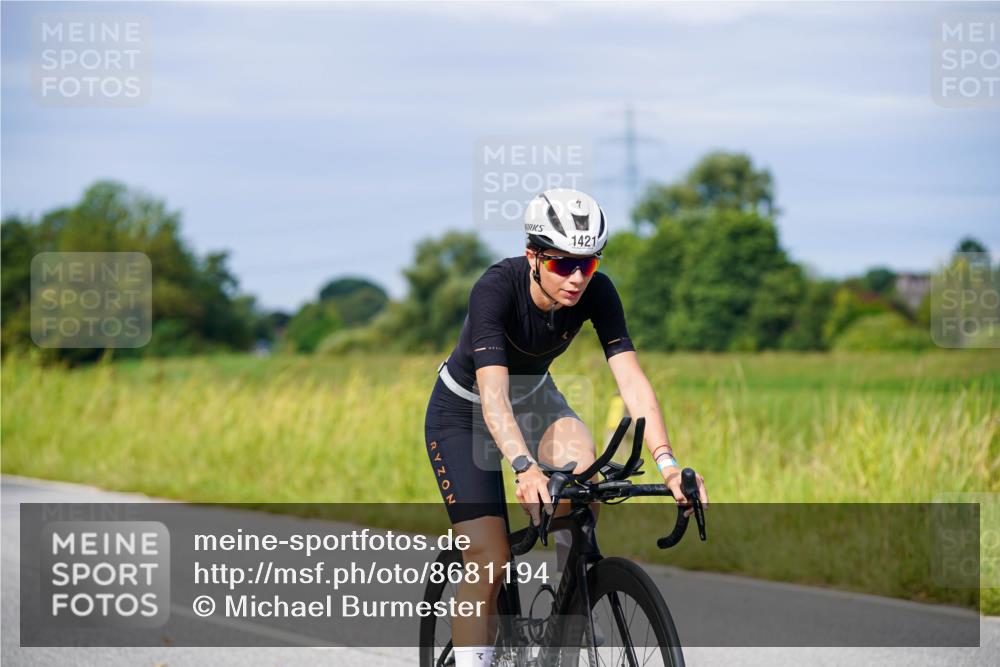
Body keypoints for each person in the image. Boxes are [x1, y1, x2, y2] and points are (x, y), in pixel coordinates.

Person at [423, 188, 708, 667]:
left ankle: (572, 608)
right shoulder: (496, 289)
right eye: (562, 264)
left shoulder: (598, 292)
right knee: (489, 557)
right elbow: (493, 398)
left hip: (535, 397)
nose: (577, 278)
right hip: (465, 411)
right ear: (533, 256)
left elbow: (632, 381)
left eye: (588, 263)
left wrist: (669, 464)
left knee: (583, 479)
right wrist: (524, 466)